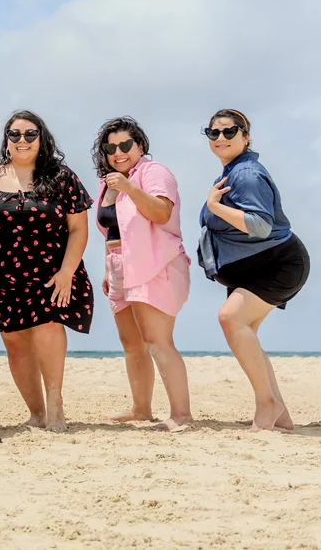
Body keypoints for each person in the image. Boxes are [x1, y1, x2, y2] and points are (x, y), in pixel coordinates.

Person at [0, 110, 94, 433]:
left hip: (51, 272)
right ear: (6, 140)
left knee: (48, 328)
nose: (22, 141)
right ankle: (35, 413)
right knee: (15, 342)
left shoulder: (62, 177)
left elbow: (78, 229)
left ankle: (55, 407)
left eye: (30, 134)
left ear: (42, 138)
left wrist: (67, 272)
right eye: (15, 134)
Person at [199, 109, 309, 432]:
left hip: (277, 262)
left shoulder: (245, 174)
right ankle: (280, 413)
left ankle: (267, 403)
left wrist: (215, 208)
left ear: (246, 137)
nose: (220, 138)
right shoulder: (232, 171)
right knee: (246, 334)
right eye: (213, 132)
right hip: (255, 267)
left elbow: (260, 226)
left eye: (229, 131)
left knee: (230, 318)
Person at [91, 117, 192, 431]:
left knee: (157, 340)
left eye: (125, 145)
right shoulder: (108, 182)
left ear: (141, 146)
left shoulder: (153, 172)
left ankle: (181, 415)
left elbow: (162, 212)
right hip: (120, 266)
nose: (118, 152)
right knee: (131, 342)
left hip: (156, 264)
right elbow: (113, 229)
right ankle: (140, 408)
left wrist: (131, 188)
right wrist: (109, 267)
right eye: (111, 147)